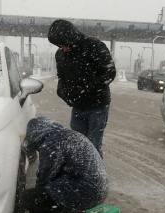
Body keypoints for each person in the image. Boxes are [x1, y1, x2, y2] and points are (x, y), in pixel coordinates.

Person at [22, 117, 108, 213]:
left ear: (34, 135)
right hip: (99, 187)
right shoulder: (65, 134)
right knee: (53, 188)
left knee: (32, 197)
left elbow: (43, 180)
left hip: (87, 191)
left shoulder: (51, 143)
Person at [48, 19, 117, 156]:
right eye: (59, 46)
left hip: (98, 106)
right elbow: (62, 78)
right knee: (77, 143)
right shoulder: (61, 55)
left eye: (65, 44)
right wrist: (62, 92)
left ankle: (95, 176)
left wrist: (86, 90)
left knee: (93, 146)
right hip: (78, 106)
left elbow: (109, 72)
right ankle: (80, 173)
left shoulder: (95, 46)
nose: (63, 48)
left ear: (71, 36)